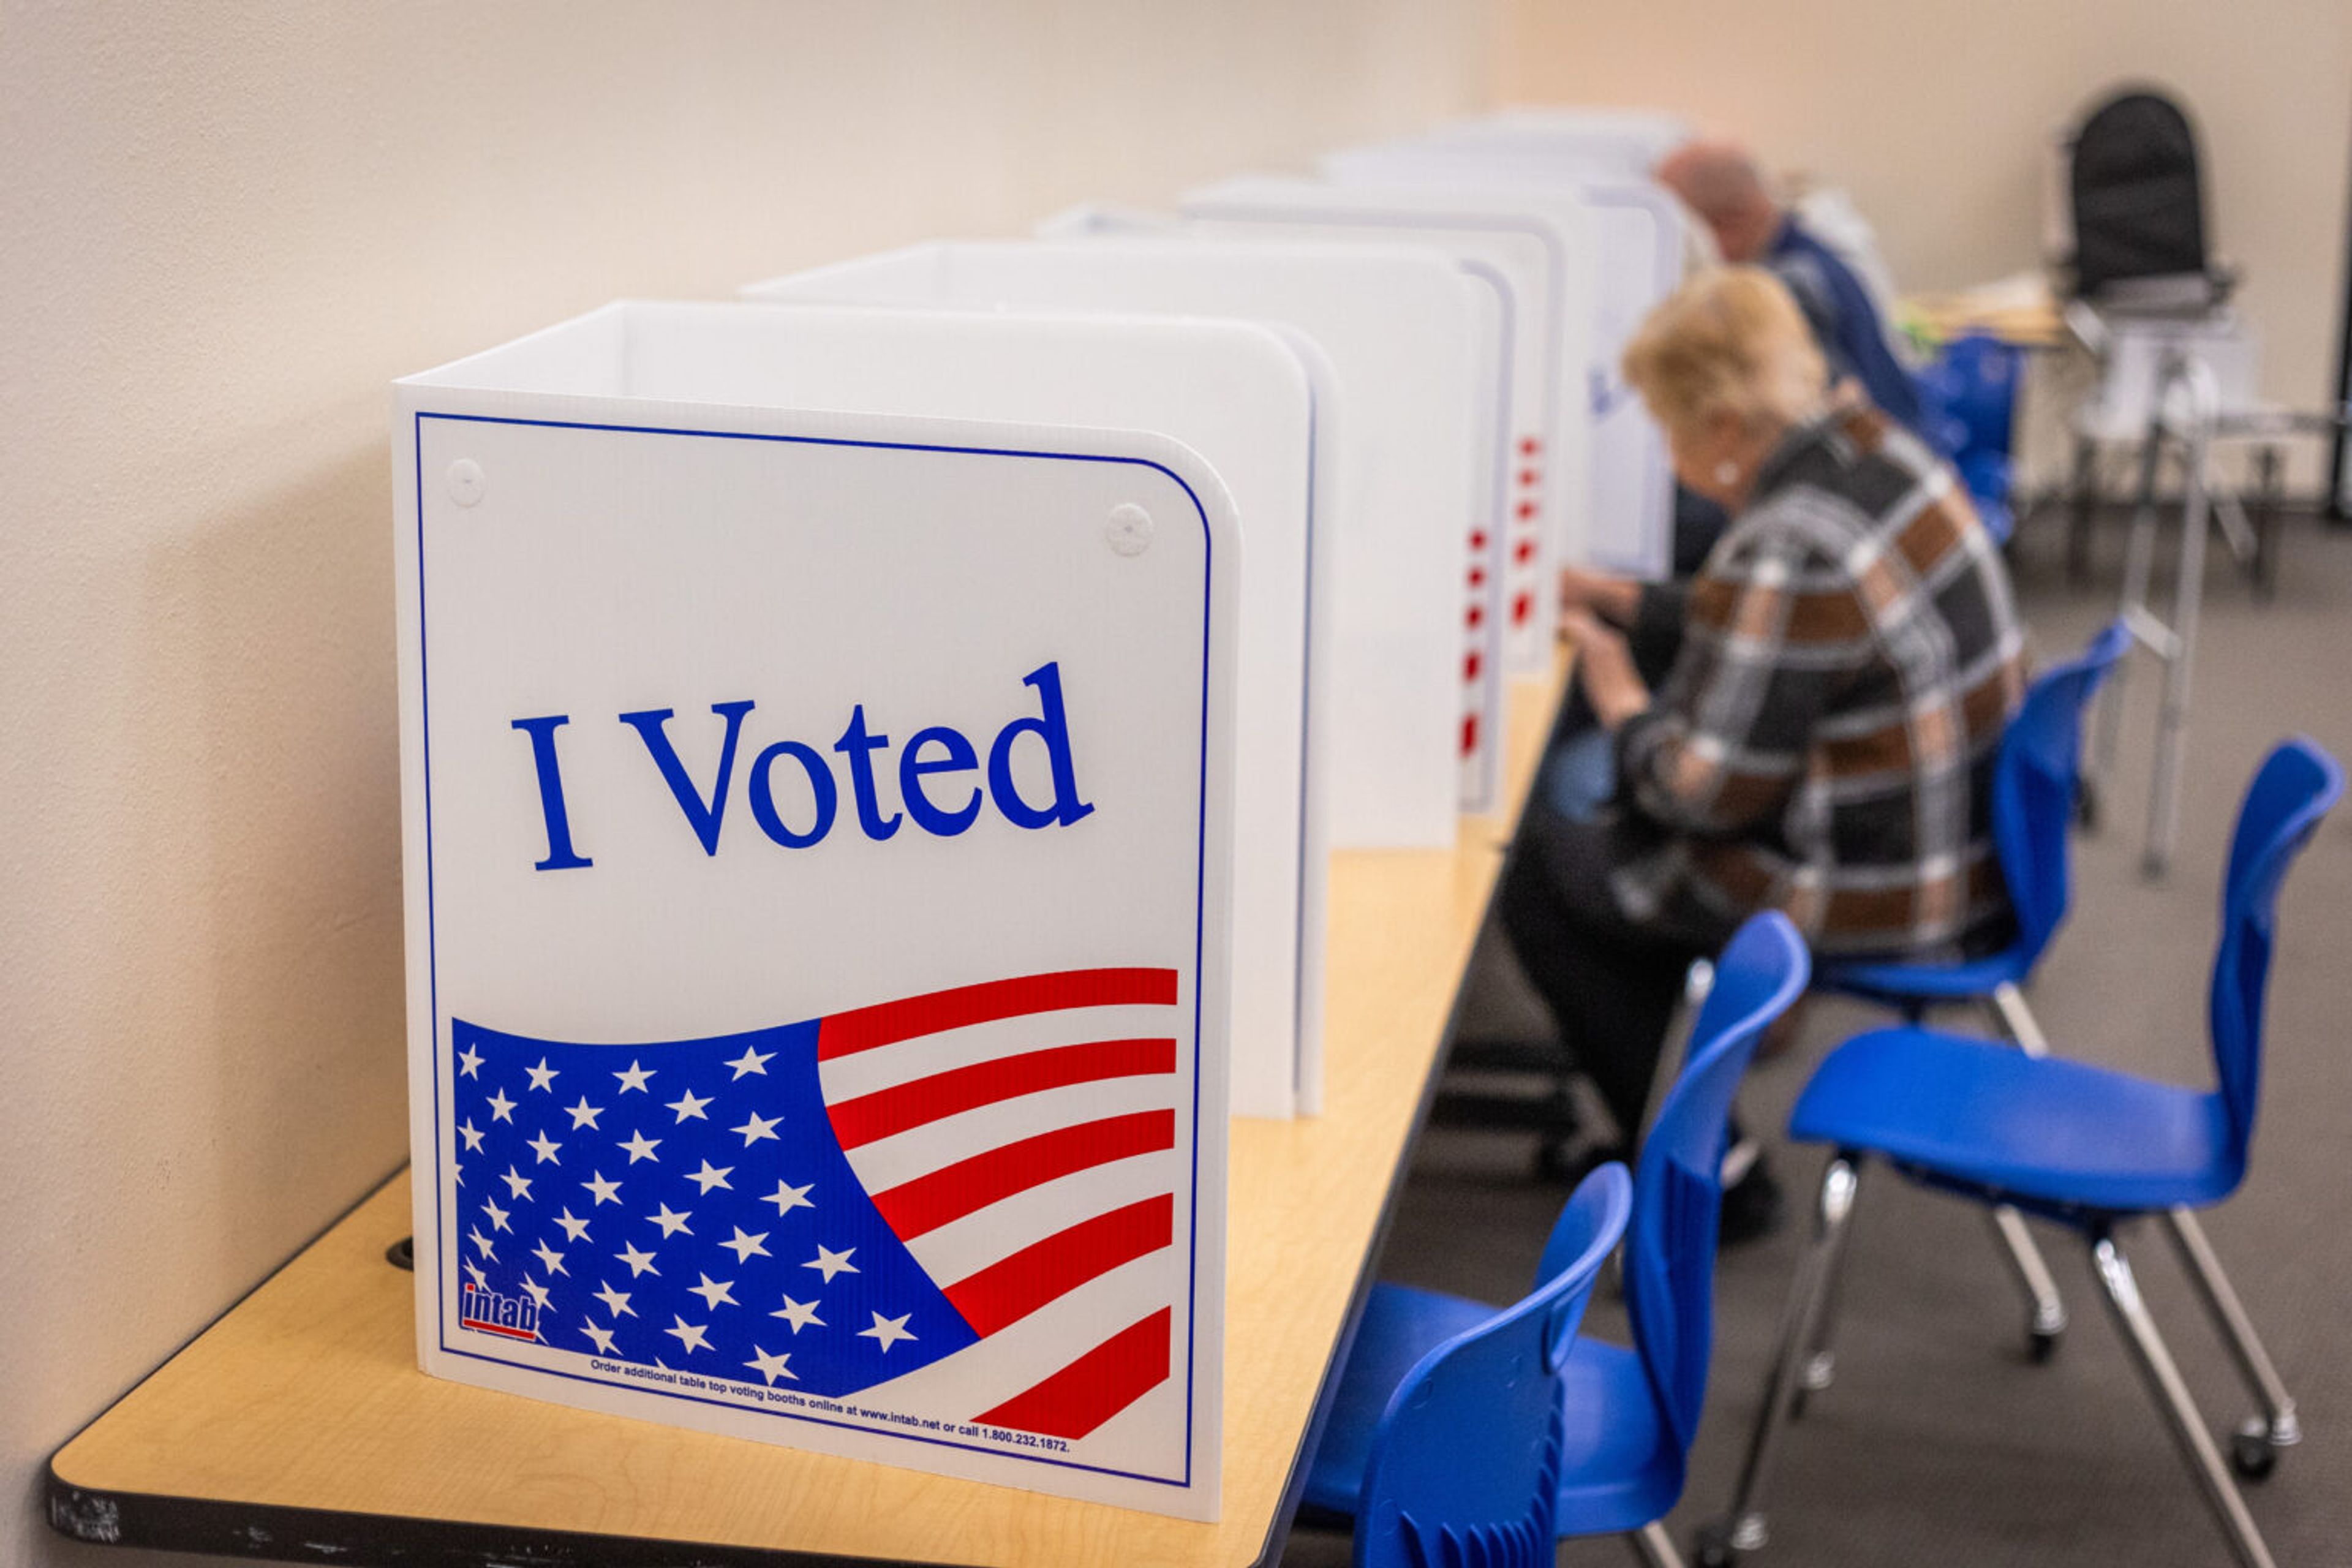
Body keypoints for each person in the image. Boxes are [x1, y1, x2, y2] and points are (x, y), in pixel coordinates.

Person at [1501, 266, 2025, 1235]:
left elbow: (1698, 795)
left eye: (1667, 423)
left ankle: (1719, 1172)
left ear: (1725, 429)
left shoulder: (1787, 543)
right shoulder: (1880, 455)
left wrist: (1621, 703)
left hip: (1882, 886)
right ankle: (1678, 1095)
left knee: (1549, 868)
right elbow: (1777, 629)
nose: (1662, 448)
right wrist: (1624, 599)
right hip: (1965, 846)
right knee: (1603, 826)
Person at [1656, 140, 1926, 571]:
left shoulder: (1785, 294)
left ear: (1727, 225)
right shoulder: (1810, 257)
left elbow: (1768, 450)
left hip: (1870, 525)